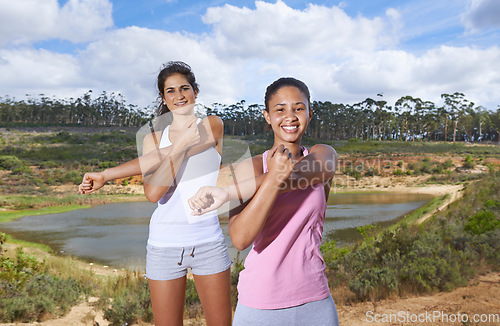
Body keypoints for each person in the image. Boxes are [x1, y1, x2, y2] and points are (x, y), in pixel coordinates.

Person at [78, 61, 232, 326]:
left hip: (208, 242)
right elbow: (153, 193)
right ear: (163, 97)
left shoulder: (212, 125)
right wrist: (180, 146)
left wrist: (109, 173)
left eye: (185, 88)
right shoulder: (152, 138)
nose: (179, 95)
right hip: (164, 246)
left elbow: (161, 158)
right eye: (170, 91)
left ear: (196, 91)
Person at [188, 77, 340, 325]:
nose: (289, 117)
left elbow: (298, 175)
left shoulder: (323, 155)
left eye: (298, 108)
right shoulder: (248, 167)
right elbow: (240, 238)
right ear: (267, 116)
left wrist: (229, 192)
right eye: (280, 109)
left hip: (315, 301)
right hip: (260, 304)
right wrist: (270, 179)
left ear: (310, 113)